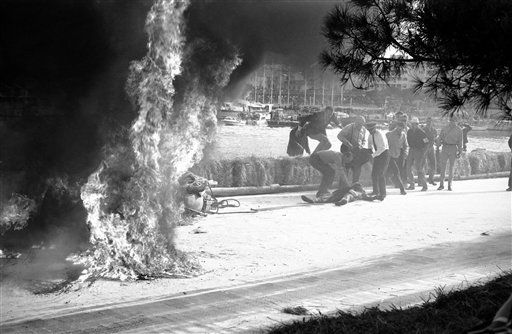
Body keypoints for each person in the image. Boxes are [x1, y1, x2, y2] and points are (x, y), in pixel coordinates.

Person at [337, 115, 372, 183]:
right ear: (356, 122)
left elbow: (364, 140)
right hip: (346, 148)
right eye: (358, 124)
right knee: (346, 167)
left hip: (357, 150)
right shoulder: (349, 127)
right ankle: (343, 186)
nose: (360, 126)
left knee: (357, 167)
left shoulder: (364, 129)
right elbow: (339, 136)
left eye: (361, 124)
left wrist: (362, 145)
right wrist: (348, 143)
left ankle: (355, 185)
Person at [436, 116, 463, 191]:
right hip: (445, 147)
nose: (452, 122)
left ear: (457, 121)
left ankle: (449, 185)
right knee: (443, 167)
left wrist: (460, 151)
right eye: (451, 120)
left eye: (454, 120)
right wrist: (437, 147)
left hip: (453, 148)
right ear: (449, 121)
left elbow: (460, 141)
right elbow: (440, 137)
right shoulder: (444, 128)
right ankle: (441, 185)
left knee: (451, 168)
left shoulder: (459, 130)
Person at [366, 122, 390, 200]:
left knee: (381, 174)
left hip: (384, 154)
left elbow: (382, 148)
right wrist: (369, 151)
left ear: (375, 128)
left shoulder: (380, 134)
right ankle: (375, 191)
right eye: (368, 130)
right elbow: (369, 145)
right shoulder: (370, 135)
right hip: (377, 154)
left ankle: (383, 194)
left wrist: (372, 155)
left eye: (371, 129)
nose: (370, 131)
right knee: (374, 174)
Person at [406, 117, 429, 191]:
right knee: (408, 167)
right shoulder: (409, 132)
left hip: (419, 151)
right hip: (411, 150)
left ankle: (424, 186)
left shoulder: (421, 132)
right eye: (412, 124)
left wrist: (423, 153)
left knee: (419, 169)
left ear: (417, 124)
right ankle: (412, 185)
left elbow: (427, 143)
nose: (413, 125)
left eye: (415, 124)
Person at [386, 121, 409, 195]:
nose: (400, 130)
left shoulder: (403, 135)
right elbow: (385, 145)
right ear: (396, 127)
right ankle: (402, 189)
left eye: (401, 129)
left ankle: (381, 188)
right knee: (396, 172)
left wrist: (405, 154)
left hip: (398, 156)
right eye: (398, 128)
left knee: (393, 172)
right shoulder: (389, 134)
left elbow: (406, 146)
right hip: (390, 156)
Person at [421, 117, 438, 185]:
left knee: (433, 164)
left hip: (431, 148)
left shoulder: (434, 130)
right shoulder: (423, 129)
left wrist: (437, 143)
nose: (429, 123)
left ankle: (431, 179)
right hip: (425, 148)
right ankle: (422, 181)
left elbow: (435, 138)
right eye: (427, 121)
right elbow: (422, 138)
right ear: (426, 122)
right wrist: (427, 143)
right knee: (423, 165)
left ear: (432, 122)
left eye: (430, 121)